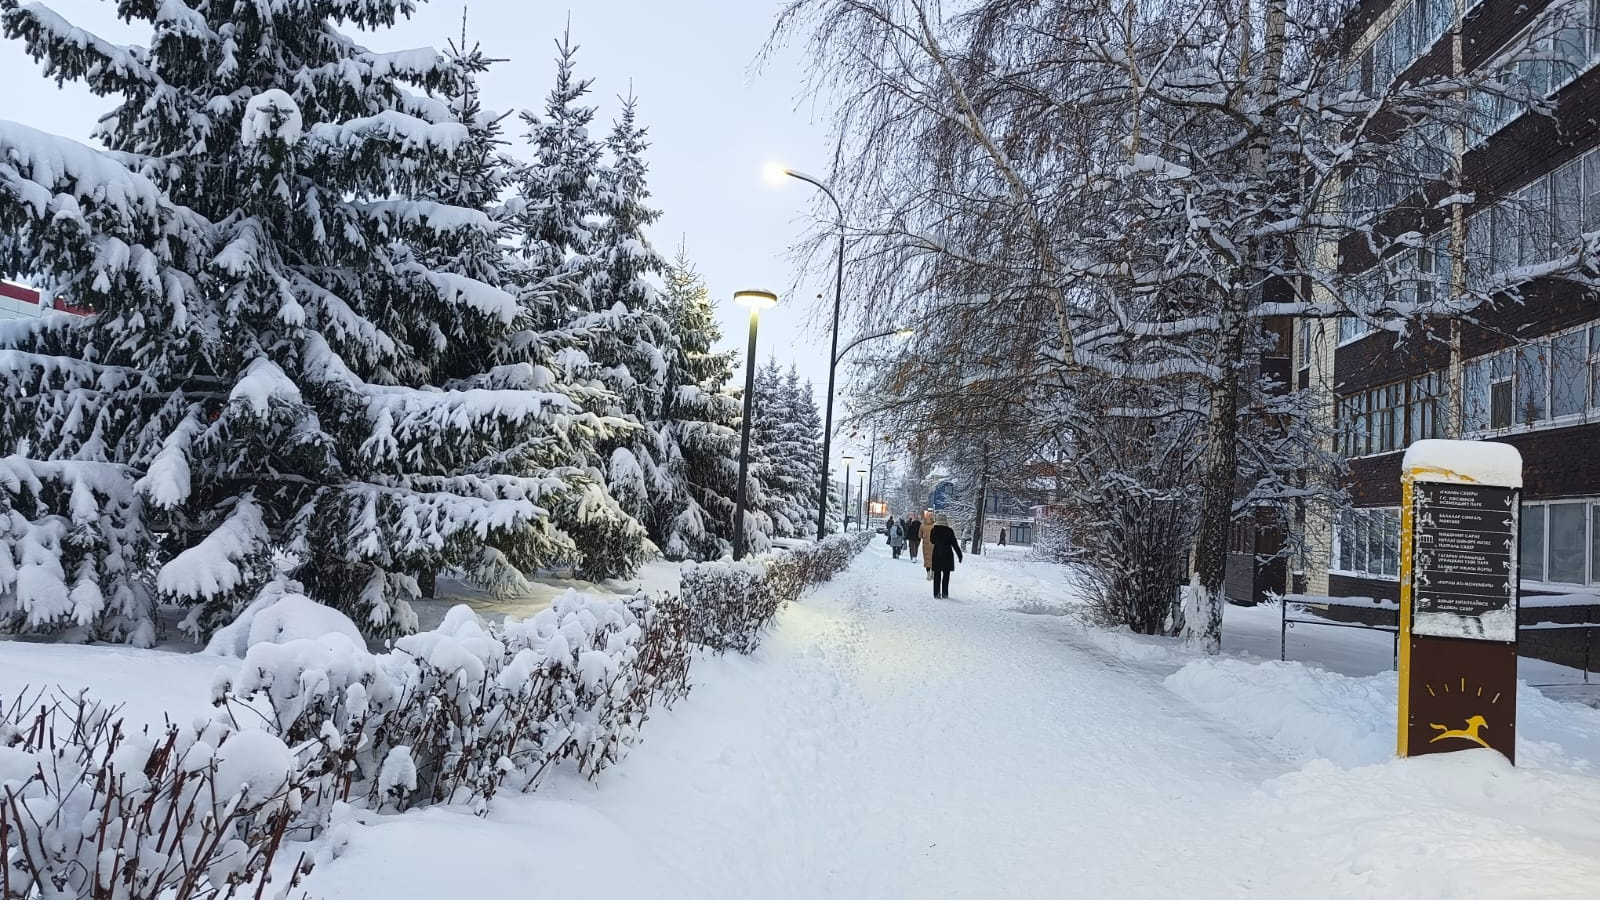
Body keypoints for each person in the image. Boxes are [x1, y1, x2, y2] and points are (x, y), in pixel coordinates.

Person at [927, 512, 963, 598]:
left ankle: (936, 593)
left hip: (937, 554)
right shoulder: (949, 531)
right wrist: (959, 555)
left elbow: (932, 541)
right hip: (947, 554)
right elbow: (954, 544)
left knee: (937, 575)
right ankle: (945, 593)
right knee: (946, 575)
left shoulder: (933, 530)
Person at [920, 510, 936, 581]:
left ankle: (928, 574)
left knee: (927, 559)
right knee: (933, 559)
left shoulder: (922, 525)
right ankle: (933, 572)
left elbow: (920, 535)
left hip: (925, 545)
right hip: (934, 544)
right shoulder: (935, 525)